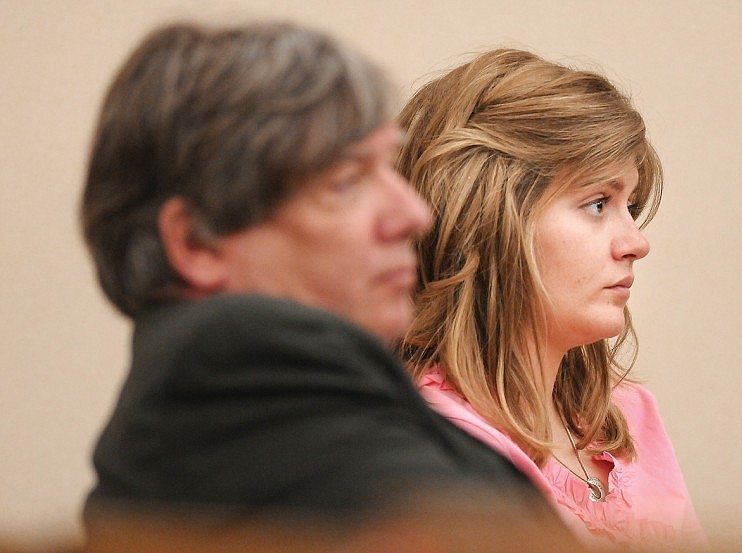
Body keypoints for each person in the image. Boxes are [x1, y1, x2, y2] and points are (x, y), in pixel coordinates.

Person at [79, 22, 564, 537]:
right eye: (345, 182)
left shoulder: (270, 400)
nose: (413, 214)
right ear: (197, 242)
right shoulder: (259, 410)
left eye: (391, 169)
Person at [396, 48, 706, 548]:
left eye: (631, 205)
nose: (637, 242)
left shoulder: (629, 414)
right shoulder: (431, 442)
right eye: (598, 203)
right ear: (490, 219)